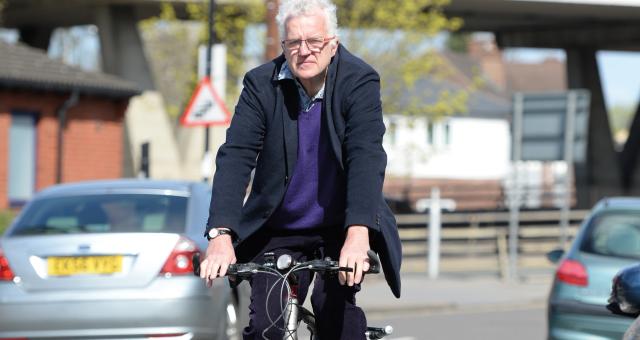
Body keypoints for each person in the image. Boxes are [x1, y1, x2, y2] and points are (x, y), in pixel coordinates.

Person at [199, 0, 401, 338]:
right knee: (266, 327)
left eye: (314, 41)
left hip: (339, 226)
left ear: (332, 43)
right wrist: (220, 234)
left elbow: (365, 156)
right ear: (284, 45)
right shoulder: (261, 84)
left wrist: (358, 233)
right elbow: (236, 156)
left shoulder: (358, 80)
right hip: (279, 230)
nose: (303, 51)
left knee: (334, 314)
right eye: (293, 42)